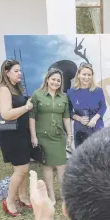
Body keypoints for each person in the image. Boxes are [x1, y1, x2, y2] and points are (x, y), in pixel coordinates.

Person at [0, 59, 34, 217]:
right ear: (7, 72)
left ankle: (22, 197)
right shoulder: (3, 90)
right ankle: (9, 200)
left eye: (20, 70)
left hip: (21, 133)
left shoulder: (15, 88)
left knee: (24, 169)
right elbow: (5, 114)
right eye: (16, 71)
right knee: (21, 169)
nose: (20, 73)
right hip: (11, 135)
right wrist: (26, 107)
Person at [29, 68, 72, 205]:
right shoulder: (37, 94)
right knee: (47, 167)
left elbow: (66, 117)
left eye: (58, 80)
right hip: (43, 136)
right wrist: (33, 136)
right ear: (47, 79)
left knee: (61, 166)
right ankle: (51, 196)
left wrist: (69, 134)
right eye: (53, 79)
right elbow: (32, 117)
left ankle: (65, 196)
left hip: (59, 136)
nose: (55, 82)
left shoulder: (64, 97)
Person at [67, 62, 107, 147]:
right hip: (80, 129)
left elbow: (103, 107)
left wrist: (94, 119)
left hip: (96, 127)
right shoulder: (71, 92)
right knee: (81, 156)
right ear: (78, 75)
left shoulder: (98, 91)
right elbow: (68, 111)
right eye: (84, 74)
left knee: (97, 154)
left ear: (92, 76)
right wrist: (79, 118)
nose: (86, 77)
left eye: (89, 75)